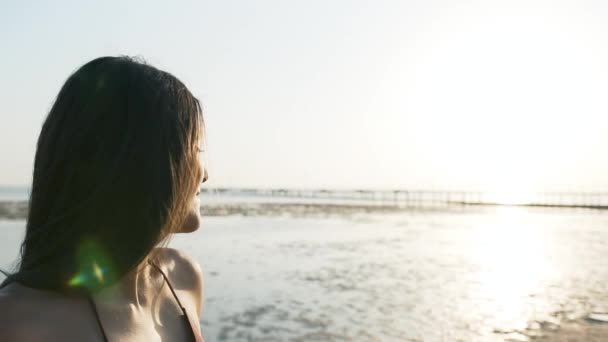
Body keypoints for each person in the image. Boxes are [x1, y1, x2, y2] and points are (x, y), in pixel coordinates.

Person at [0, 56, 207, 342]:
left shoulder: (183, 277)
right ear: (142, 162)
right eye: (196, 151)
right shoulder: (18, 323)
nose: (205, 174)